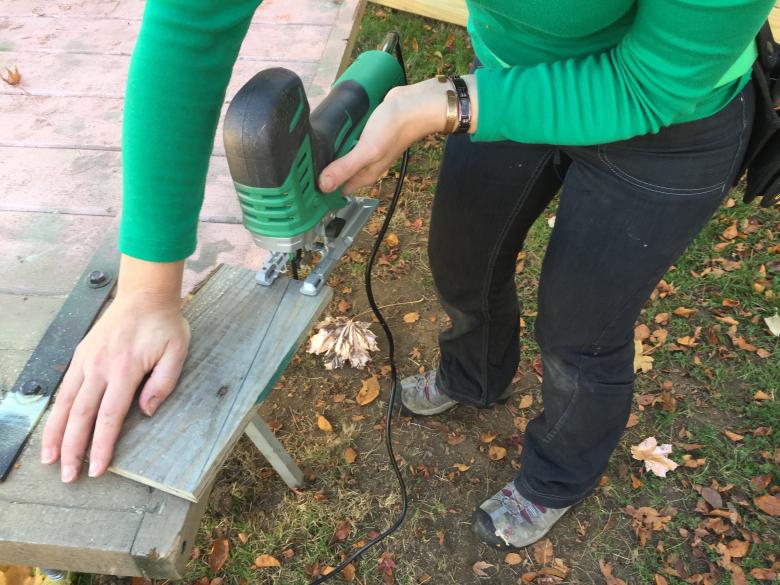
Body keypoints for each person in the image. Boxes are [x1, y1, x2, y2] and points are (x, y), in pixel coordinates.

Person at [40, 0, 773, 551]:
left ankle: (557, 473)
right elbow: (191, 22)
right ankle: (472, 376)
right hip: (514, 74)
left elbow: (649, 85)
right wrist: (145, 289)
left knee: (580, 329)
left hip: (663, 122)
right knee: (461, 259)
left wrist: (447, 103)